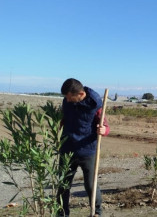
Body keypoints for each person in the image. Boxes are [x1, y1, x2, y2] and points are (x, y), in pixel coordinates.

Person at [57, 78, 110, 217]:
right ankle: (62, 214)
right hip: (67, 149)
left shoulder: (95, 104)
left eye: (70, 97)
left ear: (80, 94)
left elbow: (105, 125)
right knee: (63, 186)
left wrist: (104, 130)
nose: (67, 101)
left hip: (88, 150)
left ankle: (97, 213)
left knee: (91, 186)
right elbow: (65, 118)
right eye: (66, 98)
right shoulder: (67, 101)